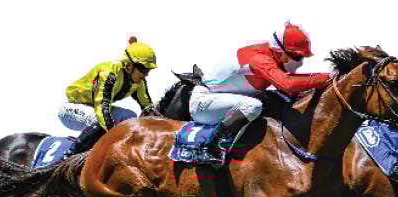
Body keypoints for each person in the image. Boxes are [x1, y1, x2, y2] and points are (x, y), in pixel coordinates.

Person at [188, 22, 334, 163]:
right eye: (297, 57)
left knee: (275, 99)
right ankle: (209, 146)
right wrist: (327, 78)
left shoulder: (272, 56)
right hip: (203, 103)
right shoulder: (261, 59)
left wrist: (327, 76)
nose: (300, 62)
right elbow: (287, 83)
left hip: (219, 99)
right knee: (253, 106)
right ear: (280, 51)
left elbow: (292, 81)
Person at [58, 36, 160, 154]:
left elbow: (148, 108)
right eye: (143, 70)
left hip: (93, 107)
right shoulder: (109, 73)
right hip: (71, 108)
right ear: (129, 65)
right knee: (102, 123)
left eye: (148, 70)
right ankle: (69, 155)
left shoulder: (139, 81)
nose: (146, 74)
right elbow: (102, 109)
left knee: (130, 117)